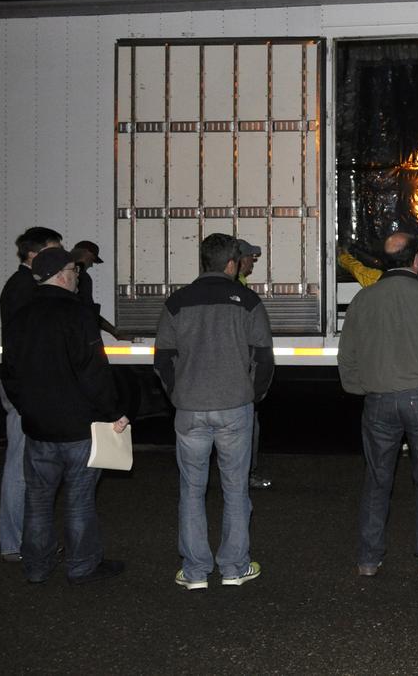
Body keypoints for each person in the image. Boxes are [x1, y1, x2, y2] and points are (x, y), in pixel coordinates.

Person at [338, 231, 418, 579]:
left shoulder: (364, 300)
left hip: (378, 400)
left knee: (377, 479)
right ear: (416, 261)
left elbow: (347, 355)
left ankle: (369, 559)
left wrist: (361, 388)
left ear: (385, 262)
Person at [154, 233, 274, 590]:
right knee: (235, 489)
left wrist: (178, 394)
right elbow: (263, 358)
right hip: (235, 407)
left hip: (190, 408)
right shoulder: (248, 301)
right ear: (231, 264)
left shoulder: (177, 302)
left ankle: (194, 572)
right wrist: (251, 396)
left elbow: (163, 360)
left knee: (191, 490)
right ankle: (234, 567)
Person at [2, 247, 128, 584]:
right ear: (61, 275)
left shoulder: (20, 316)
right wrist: (113, 412)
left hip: (38, 426)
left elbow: (10, 374)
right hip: (78, 427)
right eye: (74, 270)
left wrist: (28, 408)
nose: (78, 276)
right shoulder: (77, 315)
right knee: (79, 499)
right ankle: (81, 565)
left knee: (38, 499)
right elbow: (94, 372)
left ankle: (36, 566)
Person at [0, 226, 62, 563]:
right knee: (21, 466)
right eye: (54, 251)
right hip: (24, 385)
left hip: (22, 383)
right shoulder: (25, 288)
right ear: (34, 254)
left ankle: (26, 539)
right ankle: (16, 541)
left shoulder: (22, 284)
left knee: (27, 464)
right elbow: (26, 344)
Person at [235, 239, 272, 491]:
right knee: (248, 428)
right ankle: (246, 475)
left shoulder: (238, 286)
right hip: (240, 376)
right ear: (238, 260)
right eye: (250, 257)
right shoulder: (239, 292)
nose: (253, 262)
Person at [70, 240, 120, 339]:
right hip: (77, 333)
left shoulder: (60, 273)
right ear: (87, 253)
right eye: (93, 259)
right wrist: (114, 331)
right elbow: (88, 311)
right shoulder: (82, 277)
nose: (92, 264)